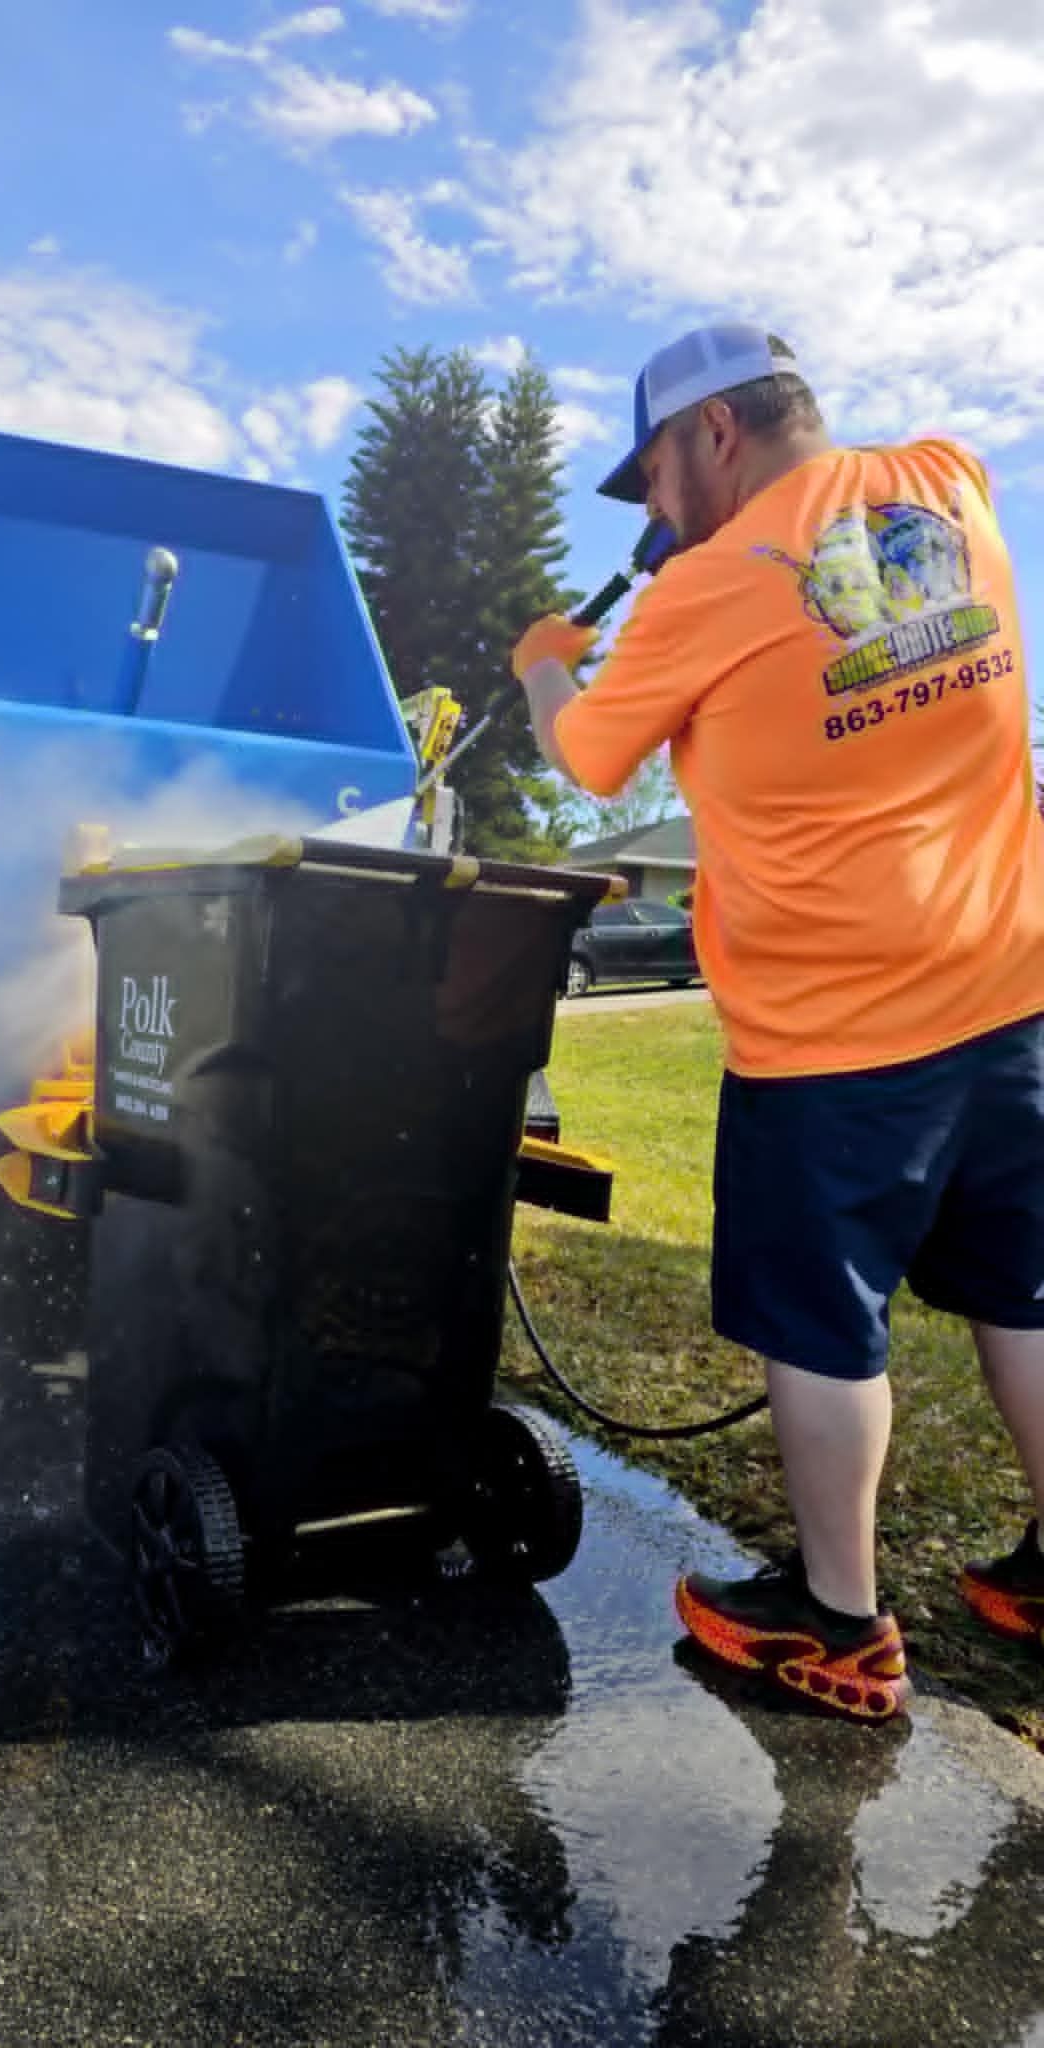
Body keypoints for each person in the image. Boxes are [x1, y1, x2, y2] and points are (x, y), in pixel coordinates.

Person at [512, 320, 1044, 1722]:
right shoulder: (947, 482)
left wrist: (544, 663)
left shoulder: (700, 594)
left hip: (836, 1035)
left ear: (717, 434)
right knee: (1026, 1297)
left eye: (657, 480)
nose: (658, 515)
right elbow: (855, 613)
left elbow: (586, 754)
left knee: (822, 1328)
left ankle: (839, 1625)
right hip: (1010, 996)